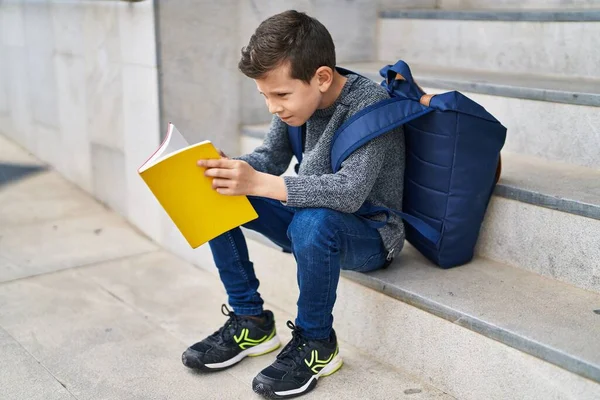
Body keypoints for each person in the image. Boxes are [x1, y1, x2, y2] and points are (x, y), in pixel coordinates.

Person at [182, 9, 405, 399]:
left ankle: (317, 343)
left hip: (369, 232)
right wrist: (233, 168)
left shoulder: (371, 108)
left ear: (321, 77)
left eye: (281, 95)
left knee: (313, 222)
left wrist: (262, 183)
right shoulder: (294, 105)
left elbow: (349, 193)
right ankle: (251, 319)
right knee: (215, 189)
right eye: (265, 96)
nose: (273, 107)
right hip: (309, 217)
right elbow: (269, 157)